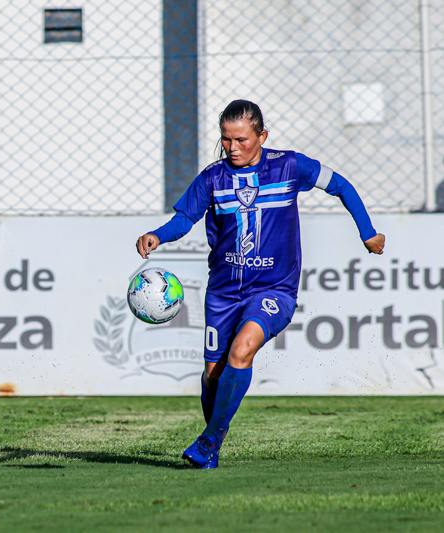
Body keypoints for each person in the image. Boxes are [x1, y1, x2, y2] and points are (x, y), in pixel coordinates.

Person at [136, 100, 385, 469]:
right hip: (222, 291)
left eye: (241, 139)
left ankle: (207, 443)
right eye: (226, 140)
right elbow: (185, 218)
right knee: (212, 377)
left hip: (273, 290)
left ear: (261, 136)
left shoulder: (289, 166)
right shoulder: (212, 178)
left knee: (242, 350)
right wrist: (157, 235)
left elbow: (341, 185)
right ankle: (211, 450)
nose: (232, 147)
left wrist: (368, 232)